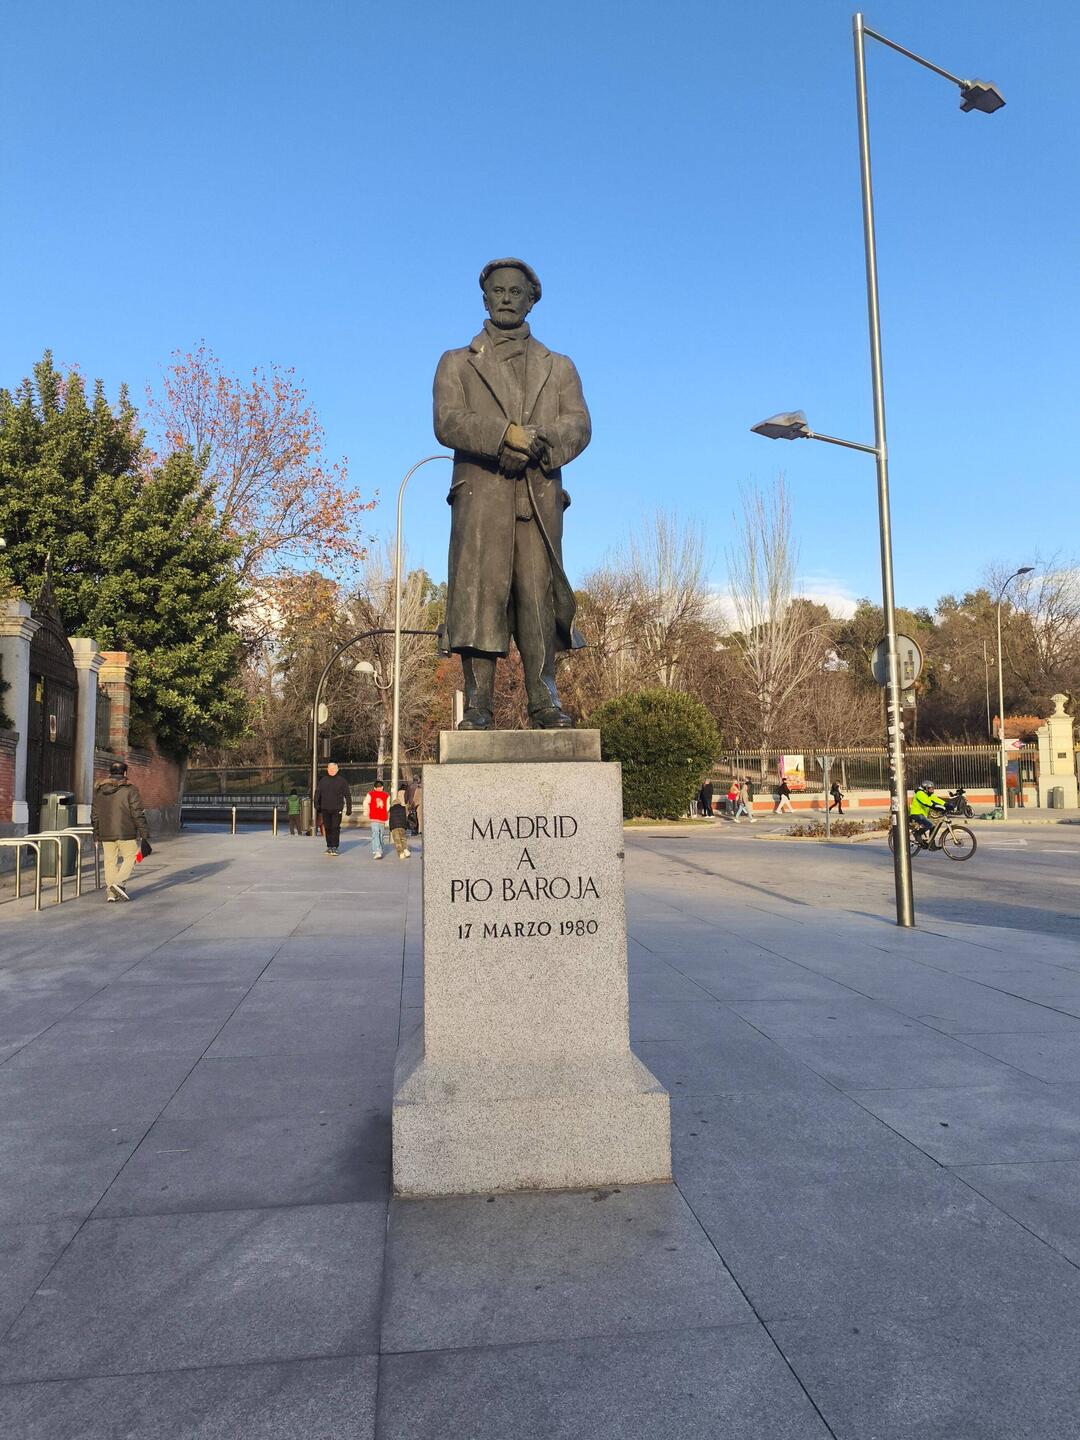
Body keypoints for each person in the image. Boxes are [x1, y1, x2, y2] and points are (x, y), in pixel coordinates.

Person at [434, 258, 592, 730]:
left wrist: (535, 443)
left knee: (538, 600)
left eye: (515, 292)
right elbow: (448, 421)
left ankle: (544, 699)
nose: (506, 298)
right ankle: (478, 704)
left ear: (531, 301)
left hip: (537, 497)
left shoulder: (559, 366)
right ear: (485, 299)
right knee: (479, 598)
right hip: (482, 499)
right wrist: (504, 436)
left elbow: (579, 424)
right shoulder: (456, 362)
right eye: (498, 291)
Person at [91, 759, 151, 902]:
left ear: (110, 773)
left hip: (105, 832)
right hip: (126, 831)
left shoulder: (99, 790)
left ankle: (111, 894)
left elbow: (94, 814)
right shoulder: (130, 789)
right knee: (133, 856)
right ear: (125, 773)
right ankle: (119, 884)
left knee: (109, 862)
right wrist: (144, 833)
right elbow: (137, 812)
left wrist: (96, 834)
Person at [313, 762, 352, 855]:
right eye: (330, 769)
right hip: (325, 808)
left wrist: (349, 808)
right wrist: (316, 804)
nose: (331, 770)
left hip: (337, 808)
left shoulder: (342, 781)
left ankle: (335, 847)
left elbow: (347, 795)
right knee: (327, 828)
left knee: (335, 827)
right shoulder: (323, 780)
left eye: (333, 768)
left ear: (337, 770)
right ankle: (329, 846)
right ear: (327, 770)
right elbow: (317, 793)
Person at [909, 780, 945, 846]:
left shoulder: (928, 794)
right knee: (929, 825)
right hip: (916, 814)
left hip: (922, 814)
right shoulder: (920, 793)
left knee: (933, 826)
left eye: (933, 789)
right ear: (926, 788)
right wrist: (937, 806)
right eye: (930, 789)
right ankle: (917, 834)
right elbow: (927, 803)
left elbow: (936, 799)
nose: (932, 791)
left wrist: (946, 804)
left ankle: (931, 844)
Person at [366, 779, 389, 860]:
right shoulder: (386, 795)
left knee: (376, 834)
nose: (380, 788)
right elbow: (387, 807)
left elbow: (366, 804)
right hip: (381, 817)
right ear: (382, 787)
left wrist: (367, 813)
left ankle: (378, 850)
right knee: (380, 834)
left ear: (374, 787)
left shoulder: (370, 794)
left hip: (375, 817)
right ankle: (379, 850)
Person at [388, 791, 412, 860]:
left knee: (397, 841)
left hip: (394, 827)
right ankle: (405, 850)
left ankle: (401, 853)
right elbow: (406, 815)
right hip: (402, 826)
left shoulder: (391, 809)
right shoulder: (404, 808)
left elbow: (389, 817)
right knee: (403, 838)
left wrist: (390, 828)